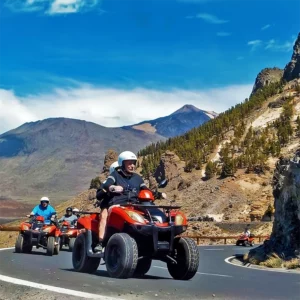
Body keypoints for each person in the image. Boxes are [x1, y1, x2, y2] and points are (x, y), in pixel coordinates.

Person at [94, 151, 166, 252]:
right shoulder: (115, 175)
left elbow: (145, 189)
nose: (132, 166)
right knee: (104, 217)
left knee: (150, 216)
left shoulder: (137, 178)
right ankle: (101, 242)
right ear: (122, 163)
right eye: (129, 163)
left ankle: (152, 238)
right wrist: (113, 187)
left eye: (133, 163)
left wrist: (158, 194)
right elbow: (106, 185)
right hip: (118, 204)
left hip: (135, 205)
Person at [94, 161, 120, 252]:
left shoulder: (127, 181)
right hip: (108, 204)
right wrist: (107, 189)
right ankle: (100, 242)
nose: (120, 171)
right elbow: (99, 195)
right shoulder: (107, 182)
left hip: (124, 205)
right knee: (104, 216)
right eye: (118, 169)